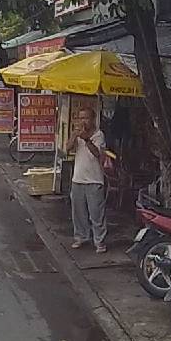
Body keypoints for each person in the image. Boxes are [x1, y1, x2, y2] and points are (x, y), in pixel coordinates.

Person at [67, 107, 108, 253]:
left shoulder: (99, 135)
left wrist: (86, 139)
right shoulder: (78, 134)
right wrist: (74, 135)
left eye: (86, 118)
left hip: (94, 180)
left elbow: (98, 154)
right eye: (81, 118)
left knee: (96, 213)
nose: (83, 121)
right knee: (78, 212)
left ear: (93, 119)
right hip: (78, 178)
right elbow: (68, 148)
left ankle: (99, 241)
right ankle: (81, 237)